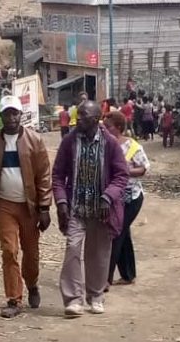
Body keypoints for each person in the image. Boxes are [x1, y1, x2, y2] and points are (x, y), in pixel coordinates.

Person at [0, 94, 52, 318]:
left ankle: (32, 284)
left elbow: (44, 176)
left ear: (21, 115)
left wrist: (45, 207)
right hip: (4, 205)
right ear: (0, 116)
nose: (11, 118)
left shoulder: (34, 141)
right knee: (9, 251)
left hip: (28, 206)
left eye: (15, 113)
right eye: (7, 114)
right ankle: (14, 299)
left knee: (31, 252)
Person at [52, 100, 129, 318]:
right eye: (79, 114)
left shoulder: (110, 143)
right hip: (76, 209)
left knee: (98, 254)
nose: (78, 119)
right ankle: (73, 300)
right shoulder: (70, 141)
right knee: (72, 250)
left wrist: (108, 197)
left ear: (95, 119)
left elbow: (121, 175)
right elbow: (58, 175)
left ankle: (95, 296)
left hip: (101, 210)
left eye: (84, 116)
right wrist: (61, 202)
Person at [103, 110, 149, 287]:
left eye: (109, 127)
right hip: (115, 198)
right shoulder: (105, 145)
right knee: (124, 233)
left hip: (132, 197)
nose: (105, 130)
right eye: (104, 127)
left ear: (119, 128)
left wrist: (125, 172)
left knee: (117, 232)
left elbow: (144, 168)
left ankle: (106, 278)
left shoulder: (132, 146)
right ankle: (128, 274)